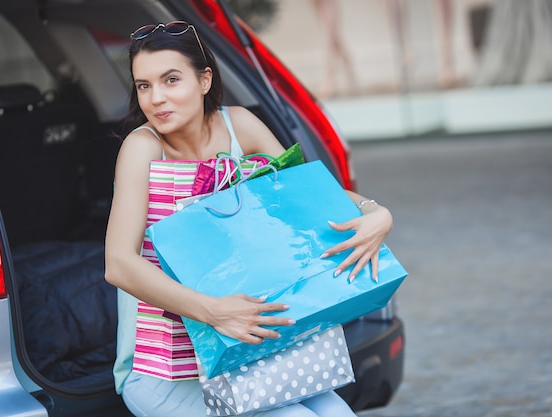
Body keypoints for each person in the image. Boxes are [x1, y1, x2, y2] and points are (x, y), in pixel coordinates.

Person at [104, 21, 393, 417]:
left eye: (171, 80)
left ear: (204, 80)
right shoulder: (142, 148)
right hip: (167, 372)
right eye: (144, 86)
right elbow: (119, 264)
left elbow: (304, 197)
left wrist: (376, 212)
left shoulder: (238, 125)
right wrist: (213, 311)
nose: (156, 98)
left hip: (251, 352)